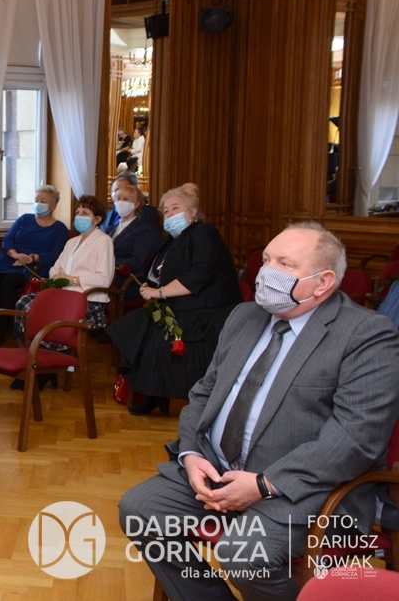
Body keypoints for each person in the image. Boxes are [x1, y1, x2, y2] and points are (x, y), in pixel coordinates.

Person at [119, 223, 399, 601]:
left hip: (304, 491)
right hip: (217, 471)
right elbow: (203, 393)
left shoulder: (366, 334)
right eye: (266, 259)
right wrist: (192, 455)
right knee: (139, 510)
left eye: (284, 264)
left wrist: (264, 485)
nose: (267, 272)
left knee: (243, 555)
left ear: (323, 282)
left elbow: (356, 437)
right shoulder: (244, 317)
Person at [108, 183, 241, 416]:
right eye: (166, 211)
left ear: (193, 212)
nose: (169, 214)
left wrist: (160, 293)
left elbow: (201, 273)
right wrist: (152, 286)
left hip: (208, 309)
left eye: (175, 208)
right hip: (181, 303)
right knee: (136, 327)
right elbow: (160, 273)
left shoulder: (204, 233)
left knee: (156, 333)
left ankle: (157, 392)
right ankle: (151, 390)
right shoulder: (171, 240)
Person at [15, 195, 115, 334]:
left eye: (85, 213)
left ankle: (46, 344)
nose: (79, 216)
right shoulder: (71, 242)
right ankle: (26, 343)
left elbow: (104, 279)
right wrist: (57, 277)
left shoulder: (104, 241)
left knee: (44, 312)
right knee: (24, 302)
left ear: (97, 220)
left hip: (87, 298)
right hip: (64, 293)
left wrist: (72, 280)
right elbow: (55, 268)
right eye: (78, 212)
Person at [0, 185, 68, 338]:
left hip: (33, 268)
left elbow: (55, 254)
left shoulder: (59, 228)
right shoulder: (24, 219)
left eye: (43, 201)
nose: (38, 203)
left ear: (53, 206)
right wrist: (15, 255)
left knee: (8, 283)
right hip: (9, 262)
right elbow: (7, 240)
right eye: (36, 200)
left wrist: (32, 258)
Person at [110, 183, 162, 302]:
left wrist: (109, 265)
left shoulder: (143, 230)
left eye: (126, 199)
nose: (121, 202)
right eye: (118, 199)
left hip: (126, 280)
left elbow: (136, 261)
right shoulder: (109, 230)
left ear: (137, 204)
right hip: (105, 276)